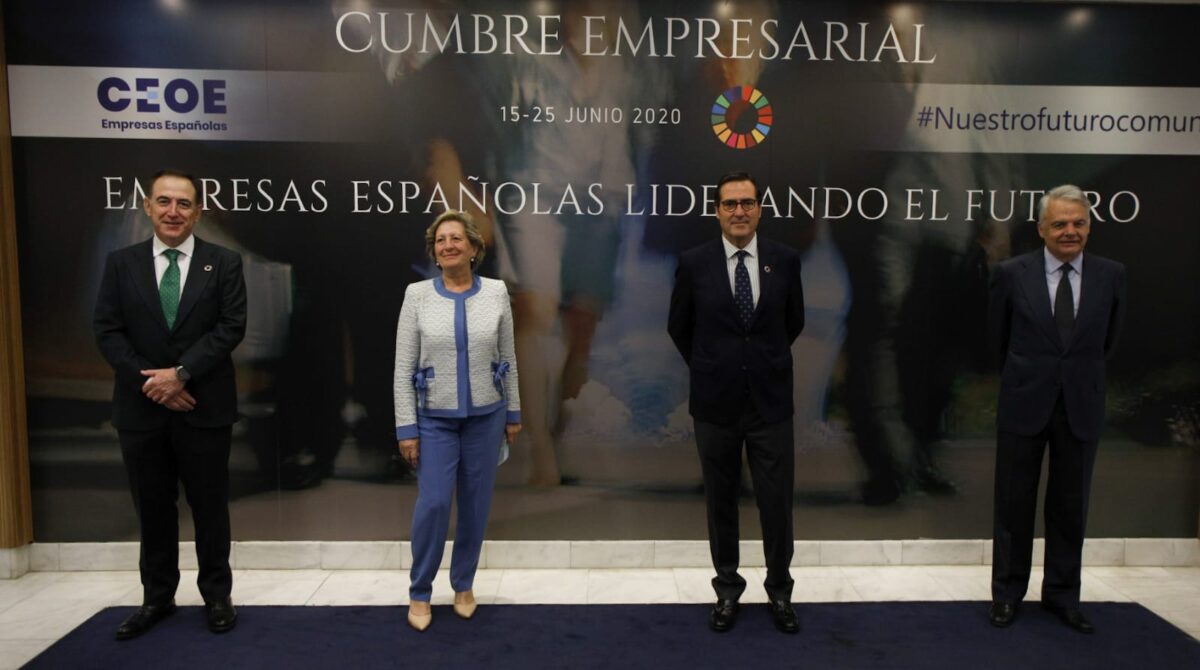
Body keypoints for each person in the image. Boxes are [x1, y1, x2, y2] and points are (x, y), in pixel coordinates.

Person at [93, 169, 247, 639]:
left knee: (209, 506)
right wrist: (153, 382)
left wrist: (179, 375)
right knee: (153, 507)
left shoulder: (223, 262)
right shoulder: (121, 263)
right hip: (141, 411)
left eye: (183, 204)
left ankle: (217, 596)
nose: (173, 211)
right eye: (164, 202)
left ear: (198, 211)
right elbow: (107, 330)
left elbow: (230, 327)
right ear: (148, 207)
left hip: (204, 405)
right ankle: (156, 598)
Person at [667, 172, 805, 634]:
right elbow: (678, 326)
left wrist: (757, 361)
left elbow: (793, 322)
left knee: (776, 503)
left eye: (747, 203)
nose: (739, 211)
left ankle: (780, 592)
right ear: (717, 211)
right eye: (730, 204)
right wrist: (712, 364)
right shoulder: (693, 262)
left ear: (760, 209)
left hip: (770, 403)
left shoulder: (785, 261)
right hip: (715, 403)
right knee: (721, 502)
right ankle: (727, 590)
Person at [987, 184, 1126, 634]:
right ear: (1043, 229)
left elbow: (1109, 341)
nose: (1071, 231)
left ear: (1090, 227)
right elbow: (997, 339)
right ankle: (1007, 595)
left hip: (1080, 403)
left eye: (1079, 223)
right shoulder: (1011, 273)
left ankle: (1063, 596)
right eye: (1061, 224)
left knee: (1071, 505)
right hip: (1024, 401)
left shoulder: (1111, 274)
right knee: (1013, 505)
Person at [394, 211, 522, 631]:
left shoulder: (497, 292)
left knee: (474, 505)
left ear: (473, 247)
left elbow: (508, 357)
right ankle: (419, 591)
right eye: (440, 240)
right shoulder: (417, 295)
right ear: (434, 250)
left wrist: (514, 412)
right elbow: (402, 367)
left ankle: (463, 584)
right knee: (432, 505)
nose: (448, 245)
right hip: (434, 419)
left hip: (487, 417)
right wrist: (407, 428)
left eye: (456, 238)